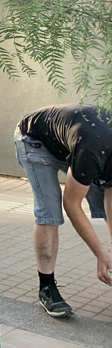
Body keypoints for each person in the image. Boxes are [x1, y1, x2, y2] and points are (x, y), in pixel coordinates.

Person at [14, 104, 112, 317]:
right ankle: (46, 287)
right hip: (34, 139)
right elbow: (72, 205)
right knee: (50, 211)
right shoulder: (94, 151)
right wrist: (100, 254)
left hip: (72, 142)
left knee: (101, 190)